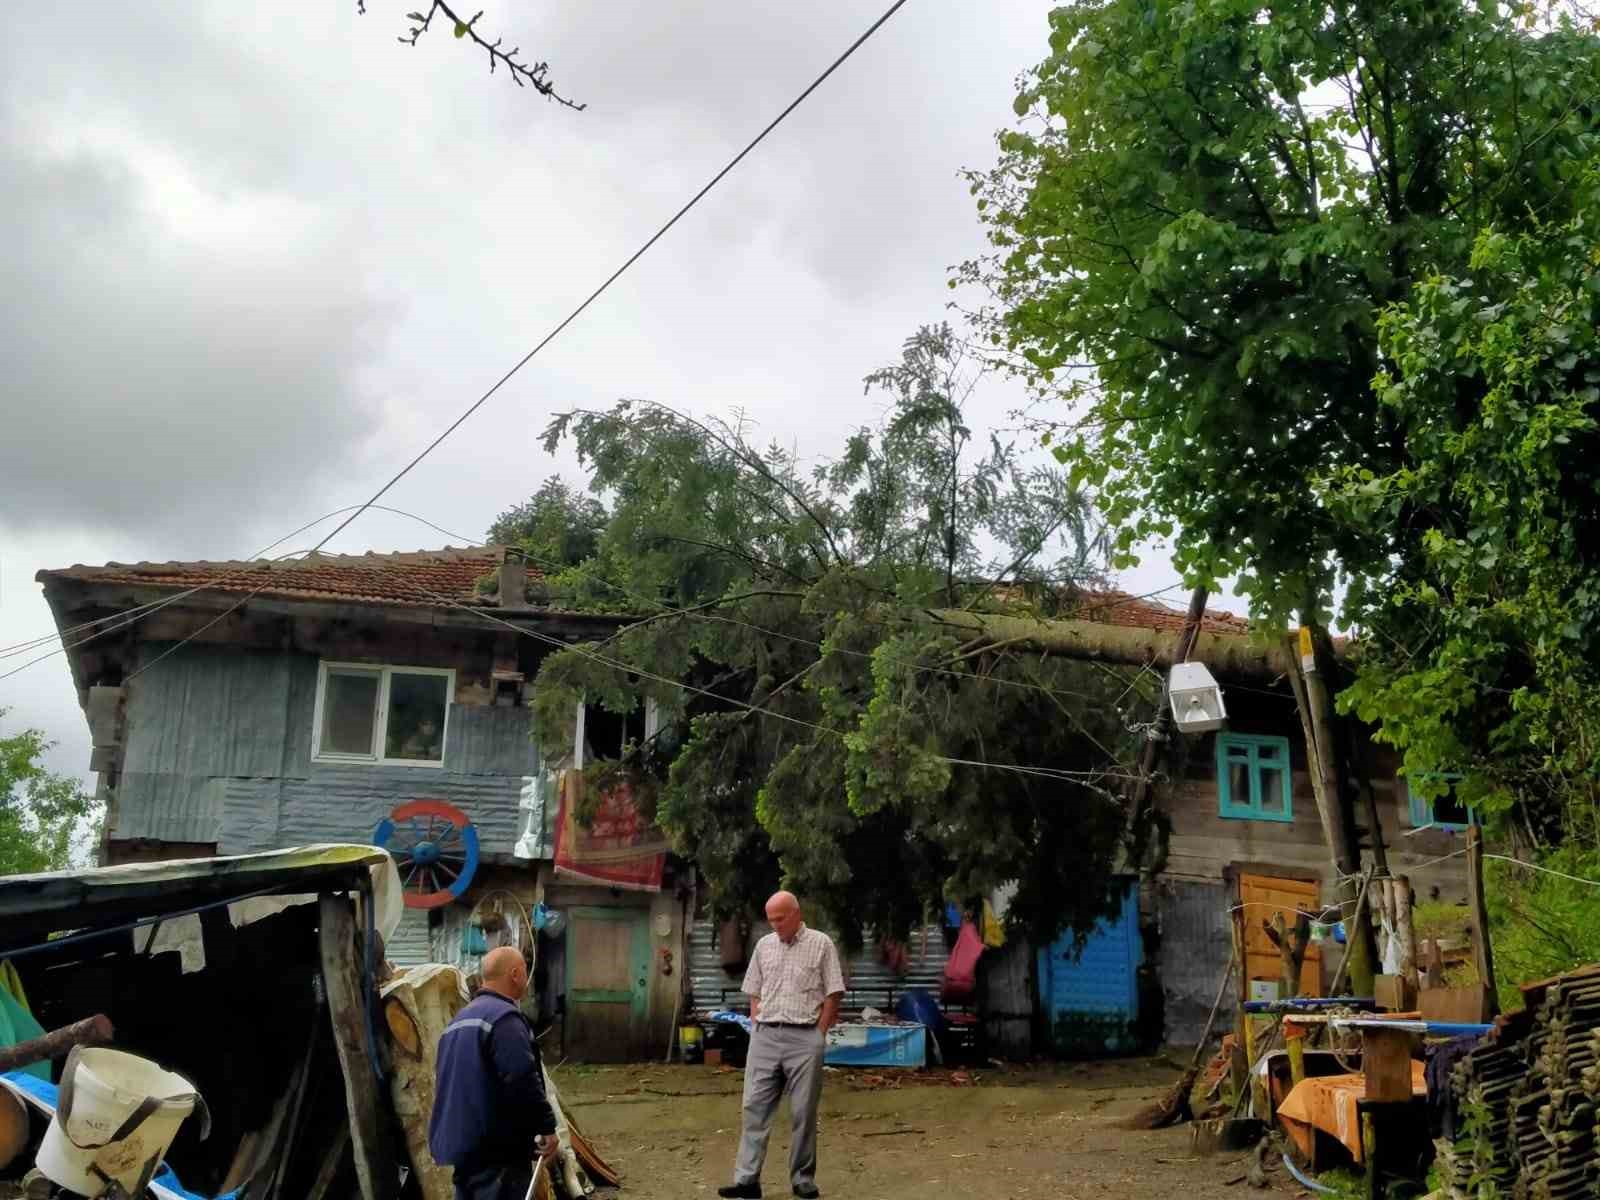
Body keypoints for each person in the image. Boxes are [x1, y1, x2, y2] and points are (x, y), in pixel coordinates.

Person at [718, 891, 846, 1200]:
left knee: (803, 1111)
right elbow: (754, 989)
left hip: (804, 1037)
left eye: (779, 918)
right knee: (753, 1108)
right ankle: (747, 1181)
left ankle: (802, 1179)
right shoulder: (764, 946)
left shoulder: (821, 944)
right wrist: (756, 1023)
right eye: (770, 919)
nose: (774, 925)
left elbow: (834, 992)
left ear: (796, 914)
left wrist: (819, 1034)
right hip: (765, 1036)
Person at [429, 946, 561, 1200]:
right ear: (515, 974)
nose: (527, 978)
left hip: (463, 1148)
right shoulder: (504, 1020)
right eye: (525, 972)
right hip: (497, 1153)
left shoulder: (458, 1022)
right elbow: (521, 1078)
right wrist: (545, 1126)